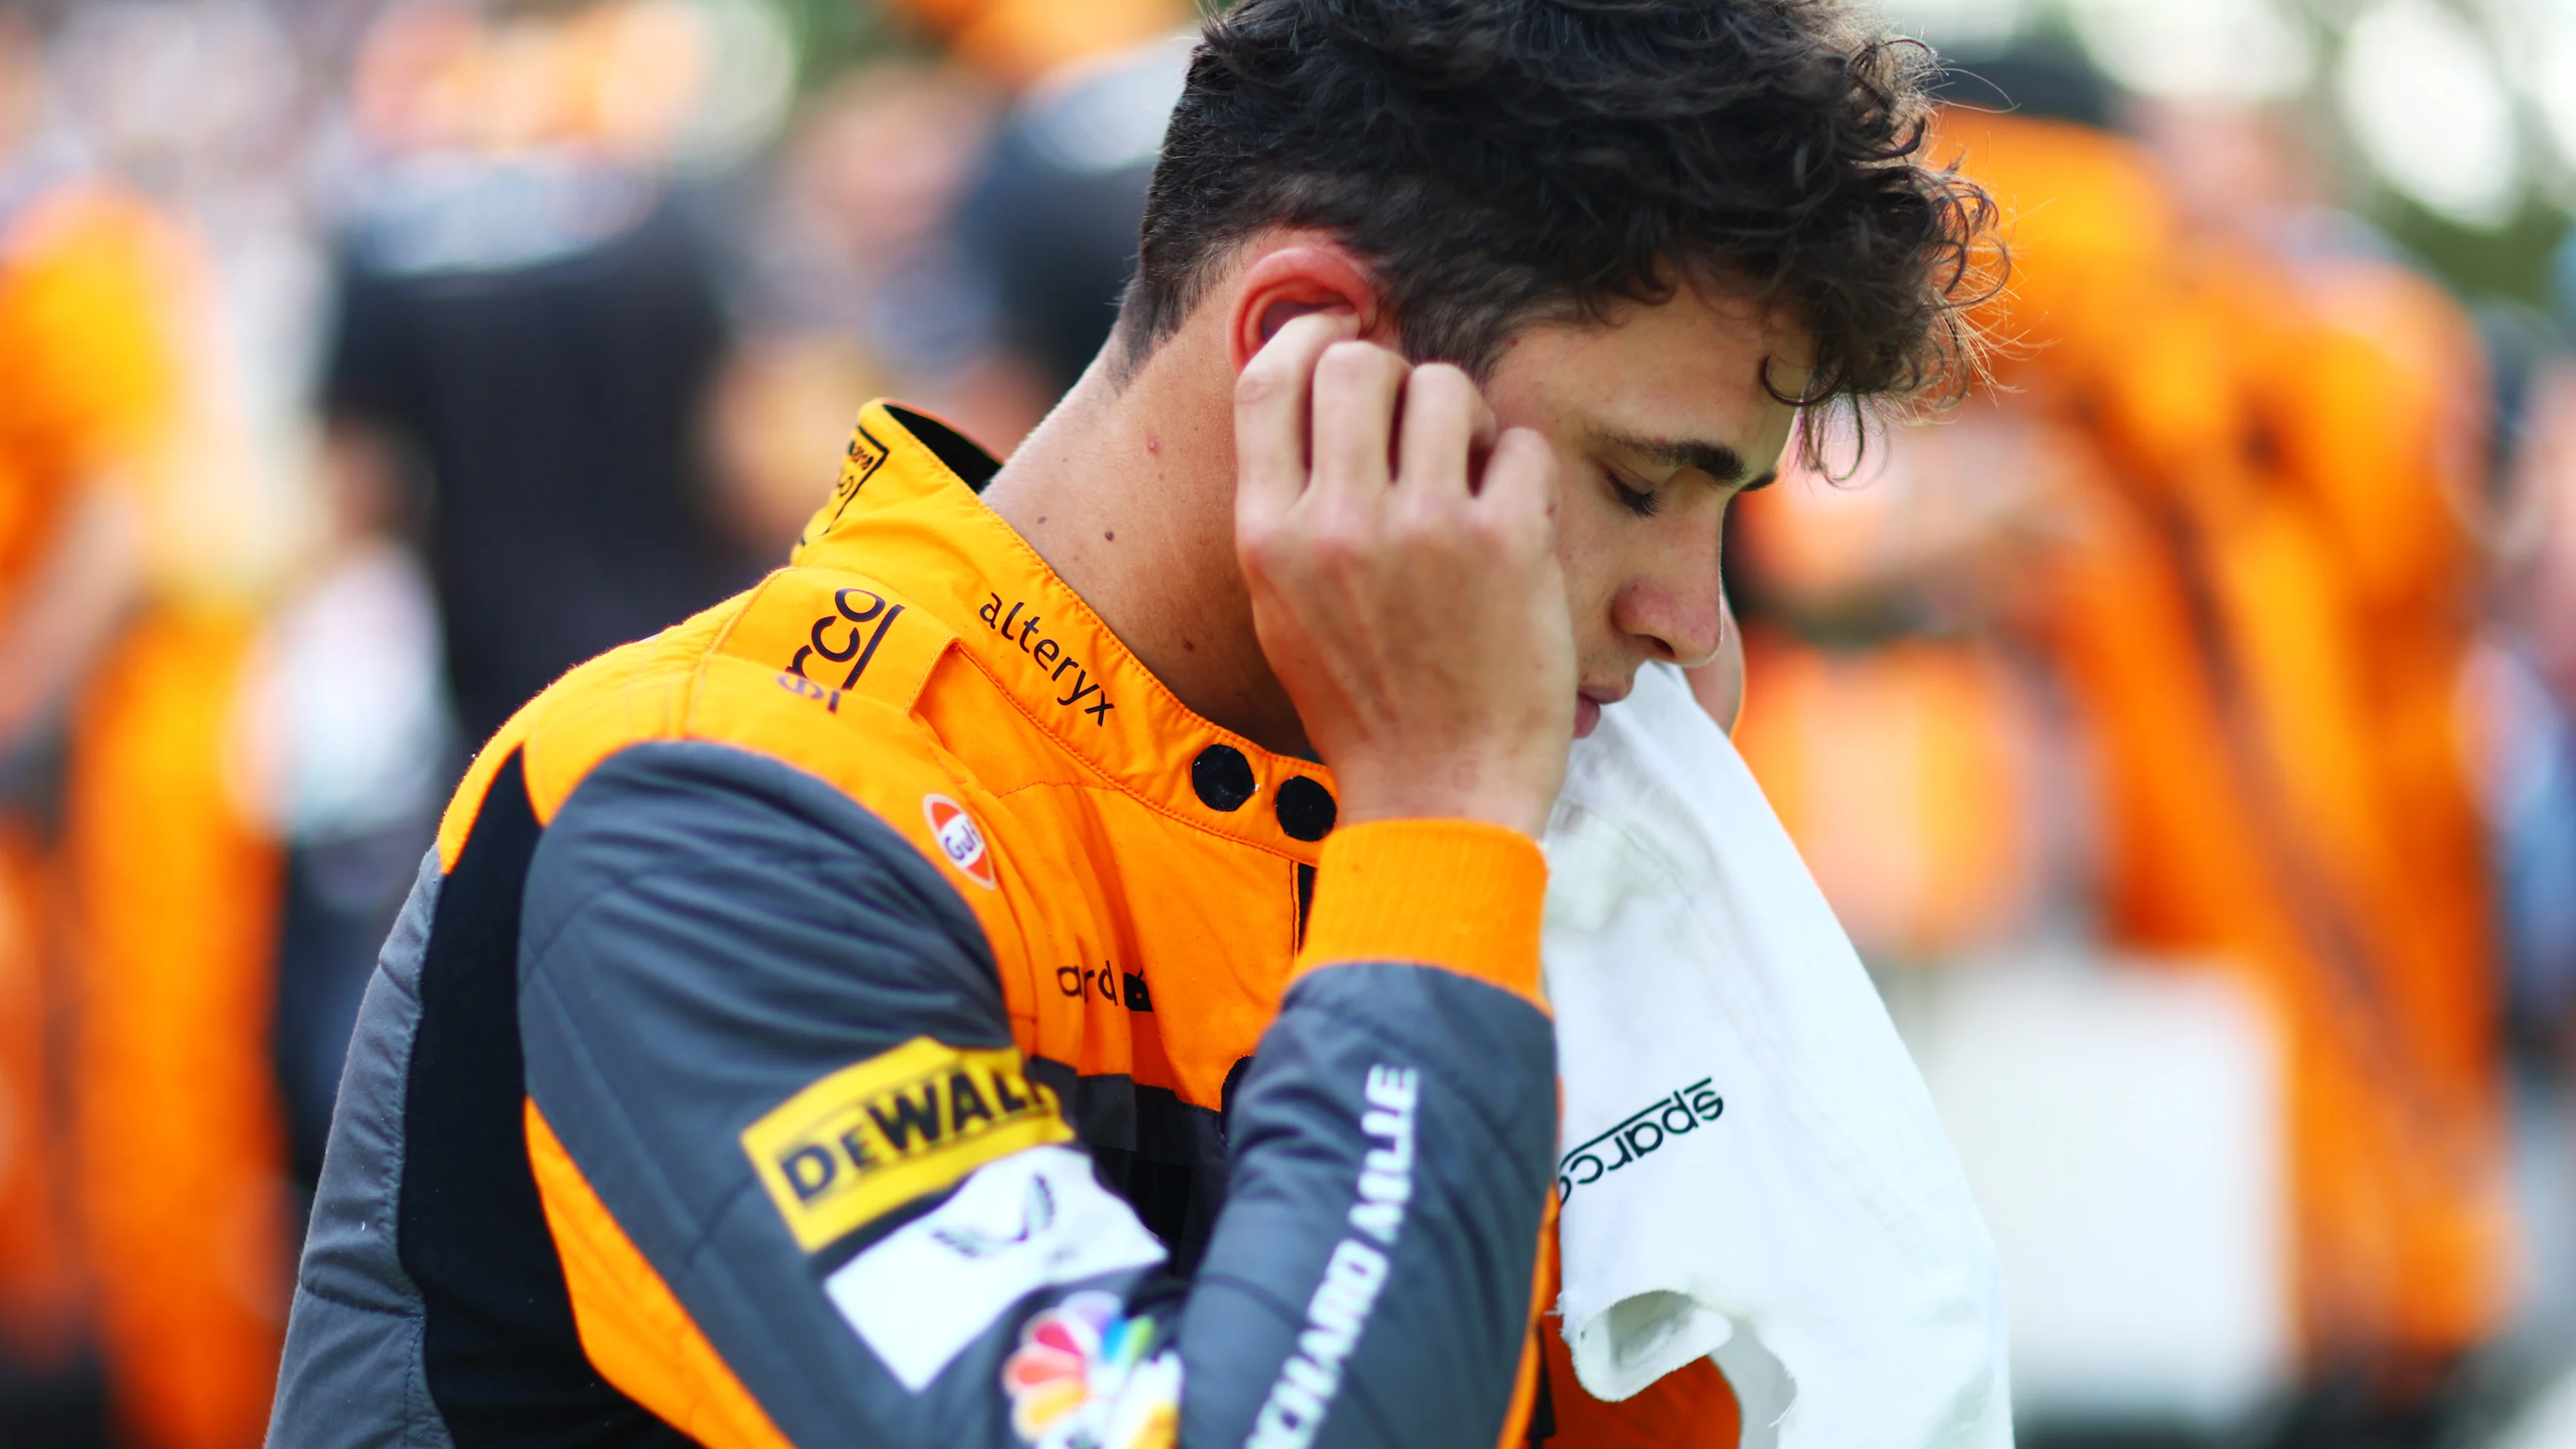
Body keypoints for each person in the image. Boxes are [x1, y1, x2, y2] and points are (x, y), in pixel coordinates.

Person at [267, 2, 1992, 1444]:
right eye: (1639, 486)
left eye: (1727, 517)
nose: (1691, 627)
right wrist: (1440, 833)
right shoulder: (709, 809)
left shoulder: (1464, 816)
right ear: (1313, 354)